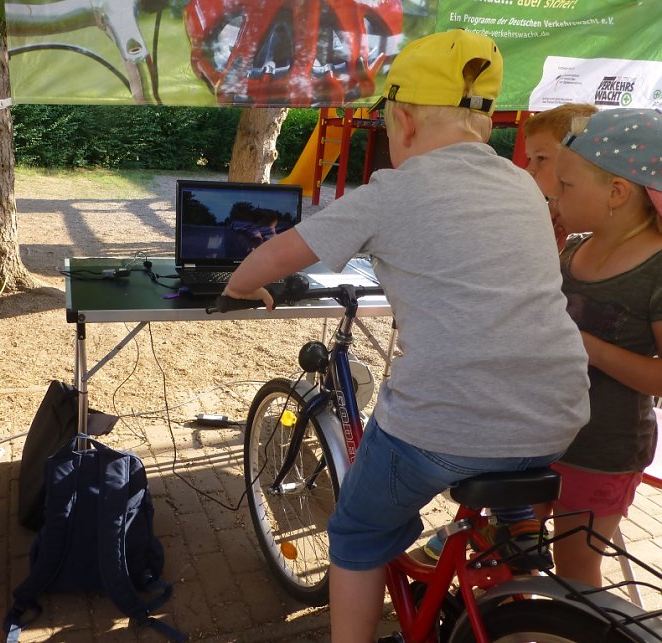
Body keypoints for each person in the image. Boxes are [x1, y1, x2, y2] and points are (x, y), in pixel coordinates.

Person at [221, 29, 590, 641]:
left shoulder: (391, 192)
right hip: (558, 413)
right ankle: (516, 528)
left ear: (406, 122)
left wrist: (238, 287)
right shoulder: (523, 184)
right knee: (501, 440)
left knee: (357, 533)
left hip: (447, 422)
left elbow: (277, 255)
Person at [422, 102, 601, 562]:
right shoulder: (552, 225)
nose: (528, 169)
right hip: (551, 405)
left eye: (541, 159)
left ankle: (504, 536)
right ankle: (503, 536)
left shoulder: (586, 240)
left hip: (575, 421)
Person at [534, 107, 662, 587]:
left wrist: (583, 344)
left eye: (566, 185)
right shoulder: (573, 250)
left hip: (603, 450)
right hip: (540, 434)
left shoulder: (655, 268)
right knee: (511, 548)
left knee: (574, 569)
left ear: (617, 192)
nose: (554, 192)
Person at [523, 103, 598, 251]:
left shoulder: (594, 222)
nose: (529, 170)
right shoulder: (539, 212)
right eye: (529, 159)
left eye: (541, 158)